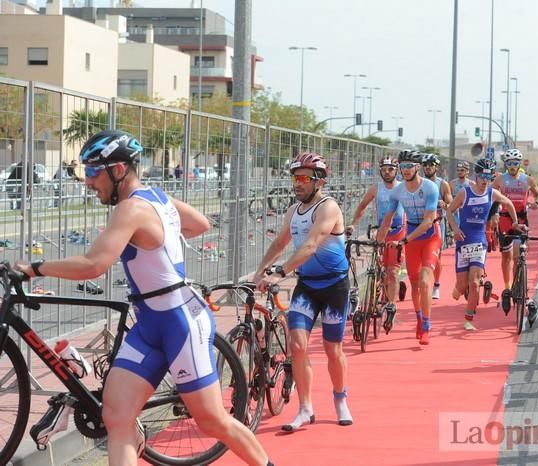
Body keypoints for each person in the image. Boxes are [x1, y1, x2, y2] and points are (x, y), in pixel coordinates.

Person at [15, 130, 272, 466]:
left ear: (118, 169)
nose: (88, 183)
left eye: (93, 172)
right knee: (117, 416)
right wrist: (163, 235)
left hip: (181, 322)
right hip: (151, 322)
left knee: (211, 421)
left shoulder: (130, 209)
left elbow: (94, 265)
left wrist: (33, 268)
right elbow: (199, 224)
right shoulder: (156, 198)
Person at [253, 151, 352, 432]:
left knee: (333, 350)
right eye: (295, 177)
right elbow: (280, 243)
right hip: (307, 286)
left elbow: (310, 245)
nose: (297, 183)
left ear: (318, 181)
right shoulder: (293, 211)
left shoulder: (328, 208)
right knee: (297, 346)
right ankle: (305, 408)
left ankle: (340, 397)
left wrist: (281, 272)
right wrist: (261, 271)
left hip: (334, 286)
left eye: (304, 178)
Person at [445, 157, 522, 331]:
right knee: (461, 285)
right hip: (463, 240)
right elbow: (450, 211)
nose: (485, 182)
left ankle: (468, 318)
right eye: (482, 177)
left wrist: (515, 222)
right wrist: (455, 229)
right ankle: (458, 290)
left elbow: (508, 203)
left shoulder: (492, 193)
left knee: (474, 283)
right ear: (476, 176)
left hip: (479, 240)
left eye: (489, 178)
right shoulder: (465, 192)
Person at [378, 150, 441, 346]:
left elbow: (428, 222)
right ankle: (419, 318)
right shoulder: (397, 191)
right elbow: (387, 219)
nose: (405, 171)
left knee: (424, 281)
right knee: (414, 285)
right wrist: (379, 241)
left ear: (418, 167)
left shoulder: (430, 187)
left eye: (408, 166)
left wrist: (404, 240)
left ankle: (427, 325)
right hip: (412, 238)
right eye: (402, 167)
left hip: (429, 236)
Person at [346, 157, 405, 333]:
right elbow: (362, 206)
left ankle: (391, 306)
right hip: (381, 232)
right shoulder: (375, 189)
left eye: (390, 169)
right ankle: (376, 292)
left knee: (392, 271)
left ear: (396, 170)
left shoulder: (402, 188)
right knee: (379, 270)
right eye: (384, 169)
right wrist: (353, 224)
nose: (387, 172)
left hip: (397, 232)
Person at [491, 148, 538, 313]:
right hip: (505, 221)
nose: (512, 166)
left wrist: (537, 203)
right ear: (505, 164)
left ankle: (516, 286)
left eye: (515, 163)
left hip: (521, 220)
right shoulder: (500, 180)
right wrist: (493, 213)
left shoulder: (527, 180)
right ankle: (507, 287)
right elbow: (491, 197)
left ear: (519, 164)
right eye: (509, 163)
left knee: (516, 255)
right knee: (506, 257)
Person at [421, 153, 453, 299]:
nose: (427, 168)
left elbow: (451, 205)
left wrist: (444, 204)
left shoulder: (443, 184)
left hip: (437, 224)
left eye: (431, 165)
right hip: (419, 224)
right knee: (420, 256)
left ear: (436, 167)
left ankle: (436, 285)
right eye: (425, 165)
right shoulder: (418, 182)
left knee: (436, 256)